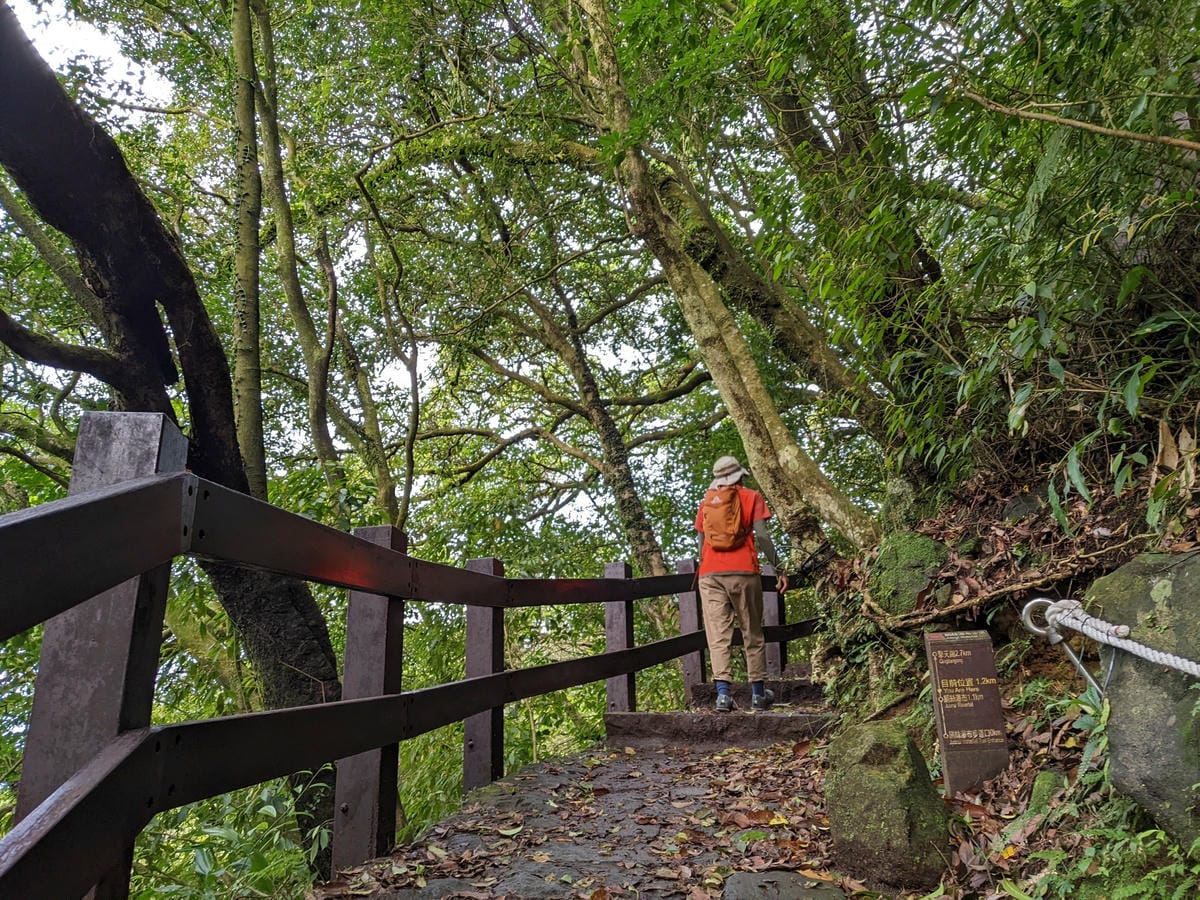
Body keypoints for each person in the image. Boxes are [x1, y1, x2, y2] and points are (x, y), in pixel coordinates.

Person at [695, 455, 788, 712]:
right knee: (752, 631)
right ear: (739, 476)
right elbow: (763, 536)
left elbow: (702, 541)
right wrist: (779, 568)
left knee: (717, 635)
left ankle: (723, 695)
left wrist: (706, 567)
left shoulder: (706, 502)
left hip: (710, 575)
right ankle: (758, 694)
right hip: (744, 572)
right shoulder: (752, 497)